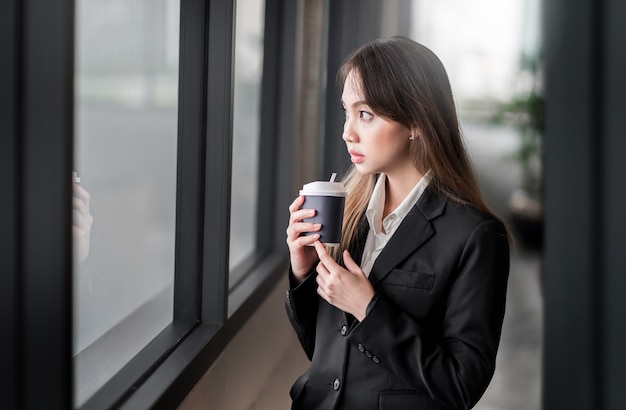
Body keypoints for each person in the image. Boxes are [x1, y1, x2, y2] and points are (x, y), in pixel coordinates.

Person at [285, 36, 511, 410]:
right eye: (346, 112)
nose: (347, 132)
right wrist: (303, 272)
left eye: (366, 114)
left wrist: (369, 309)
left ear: (416, 122)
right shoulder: (349, 211)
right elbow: (324, 350)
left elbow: (461, 385)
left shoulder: (475, 236)